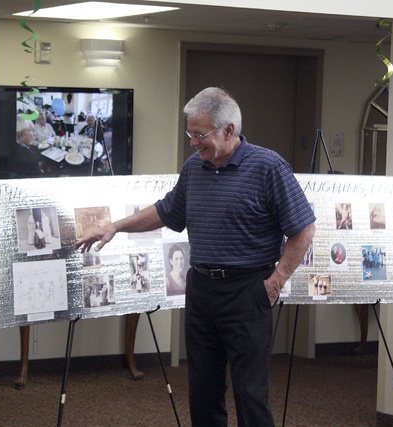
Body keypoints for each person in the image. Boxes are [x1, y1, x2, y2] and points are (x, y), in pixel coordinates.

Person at [73, 87, 316, 426]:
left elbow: (303, 228)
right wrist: (115, 226)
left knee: (249, 393)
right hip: (202, 289)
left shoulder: (268, 167)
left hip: (248, 291)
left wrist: (276, 282)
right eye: (191, 133)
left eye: (199, 134)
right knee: (203, 390)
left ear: (228, 130)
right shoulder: (194, 167)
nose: (193, 142)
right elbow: (166, 212)